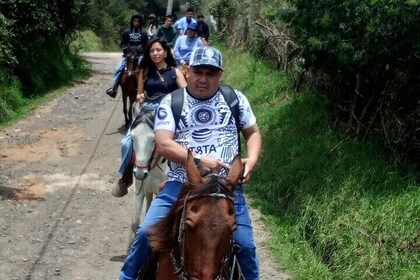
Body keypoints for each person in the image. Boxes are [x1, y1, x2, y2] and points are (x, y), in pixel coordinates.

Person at [119, 46, 262, 279]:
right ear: (187, 71)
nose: (203, 79)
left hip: (225, 187)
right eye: (198, 72)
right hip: (181, 183)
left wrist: (252, 159)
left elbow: (253, 133)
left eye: (210, 73)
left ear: (220, 75)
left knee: (245, 245)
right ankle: (127, 277)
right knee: (146, 232)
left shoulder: (235, 99)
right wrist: (197, 159)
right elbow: (164, 143)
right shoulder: (172, 102)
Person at [111, 38, 186, 197]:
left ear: (165, 52)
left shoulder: (175, 72)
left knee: (185, 140)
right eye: (152, 51)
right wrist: (140, 97)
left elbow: (186, 94)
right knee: (126, 141)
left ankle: (188, 175)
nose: (155, 53)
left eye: (158, 50)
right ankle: (126, 176)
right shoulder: (144, 72)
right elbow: (139, 93)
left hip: (169, 114)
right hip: (147, 111)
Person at [106, 13, 148, 98]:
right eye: (135, 21)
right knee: (119, 68)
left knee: (146, 69)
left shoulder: (144, 33)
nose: (136, 23)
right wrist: (126, 50)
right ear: (132, 21)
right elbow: (123, 44)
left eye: (138, 21)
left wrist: (142, 48)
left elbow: (146, 45)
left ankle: (148, 89)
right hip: (129, 55)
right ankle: (114, 88)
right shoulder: (126, 32)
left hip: (140, 55)